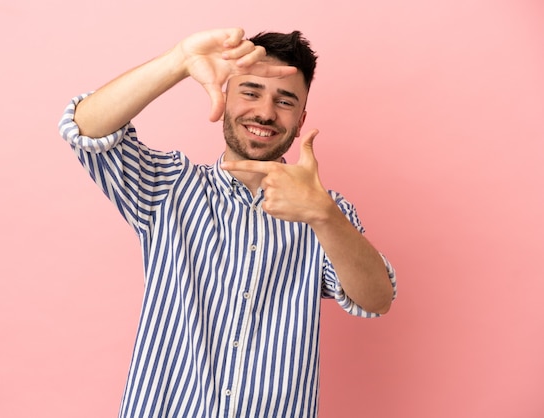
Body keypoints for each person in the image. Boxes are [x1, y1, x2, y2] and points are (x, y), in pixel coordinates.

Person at [59, 27, 396, 418]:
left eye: (284, 101)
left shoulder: (326, 213)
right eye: (251, 92)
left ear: (301, 120)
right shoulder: (168, 188)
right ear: (225, 93)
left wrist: (323, 215)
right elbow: (84, 128)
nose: (266, 113)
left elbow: (376, 298)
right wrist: (180, 60)